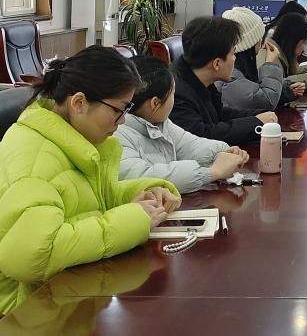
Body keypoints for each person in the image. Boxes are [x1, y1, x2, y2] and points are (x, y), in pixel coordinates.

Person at [0, 46, 180, 314]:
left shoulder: (72, 138)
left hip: (67, 296)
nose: (122, 121)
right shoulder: (35, 157)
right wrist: (133, 219)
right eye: (118, 110)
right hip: (26, 310)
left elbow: (89, 202)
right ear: (79, 103)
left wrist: (146, 192)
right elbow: (31, 256)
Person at [117, 56, 250, 194]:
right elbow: (143, 178)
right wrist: (212, 173)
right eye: (172, 94)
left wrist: (223, 153)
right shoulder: (117, 133)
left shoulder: (158, 123)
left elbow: (189, 145)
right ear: (155, 103)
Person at [170, 16, 278, 145]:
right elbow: (203, 135)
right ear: (217, 63)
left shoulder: (197, 77)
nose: (235, 59)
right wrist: (255, 123)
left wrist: (258, 116)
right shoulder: (175, 93)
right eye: (233, 54)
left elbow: (219, 114)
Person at [217, 6, 295, 111]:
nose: (261, 41)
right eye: (260, 37)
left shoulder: (236, 68)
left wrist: (286, 90)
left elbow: (255, 93)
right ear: (250, 43)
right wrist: (270, 63)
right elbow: (266, 102)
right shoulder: (230, 75)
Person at [258, 14, 307, 98]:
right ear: (293, 41)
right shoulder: (268, 56)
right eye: (304, 43)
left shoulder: (278, 52)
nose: (303, 49)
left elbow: (292, 72)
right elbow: (274, 84)